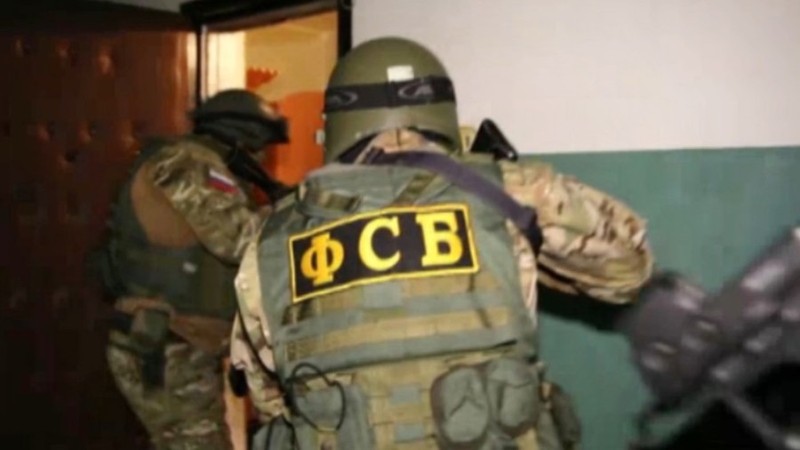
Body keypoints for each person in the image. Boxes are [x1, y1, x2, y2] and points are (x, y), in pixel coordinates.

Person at [230, 37, 655, 450]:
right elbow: (629, 270)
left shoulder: (271, 240)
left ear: (335, 126)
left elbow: (267, 395)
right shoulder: (510, 194)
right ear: (443, 112)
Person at [96, 89, 289, 450]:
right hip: (166, 348)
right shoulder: (189, 162)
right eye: (261, 146)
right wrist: (299, 215)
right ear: (244, 136)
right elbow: (241, 237)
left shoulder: (195, 162)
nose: (263, 156)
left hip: (181, 344)